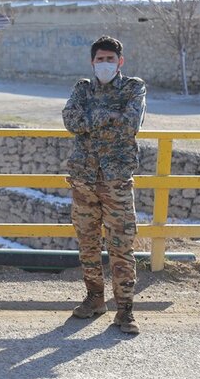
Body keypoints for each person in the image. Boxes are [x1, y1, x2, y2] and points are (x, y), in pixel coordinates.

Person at [62, 35, 146, 334]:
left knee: (121, 246)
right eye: (101, 59)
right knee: (88, 245)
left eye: (111, 59)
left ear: (120, 62)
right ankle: (95, 299)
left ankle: (125, 311)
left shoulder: (134, 87)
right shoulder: (82, 88)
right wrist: (109, 116)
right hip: (84, 179)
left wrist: (92, 120)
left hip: (116, 181)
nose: (105, 64)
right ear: (92, 62)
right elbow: (70, 120)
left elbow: (131, 124)